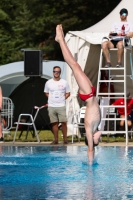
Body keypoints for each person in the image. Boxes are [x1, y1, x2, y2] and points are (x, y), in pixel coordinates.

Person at [55, 24, 102, 164]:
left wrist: (90, 165)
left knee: (74, 65)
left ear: (92, 139)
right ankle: (61, 40)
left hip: (87, 95)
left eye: (97, 140)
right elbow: (99, 135)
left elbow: (90, 150)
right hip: (90, 93)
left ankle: (60, 40)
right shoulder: (96, 128)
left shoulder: (89, 129)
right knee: (76, 66)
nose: (99, 138)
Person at [44, 66, 70, 144]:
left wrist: (62, 98)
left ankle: (65, 139)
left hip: (61, 105)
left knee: (64, 122)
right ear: (53, 72)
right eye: (55, 71)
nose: (56, 73)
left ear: (60, 73)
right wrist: (51, 98)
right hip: (52, 105)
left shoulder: (64, 82)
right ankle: (56, 140)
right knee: (54, 123)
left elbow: (68, 93)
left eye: (58, 72)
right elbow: (46, 93)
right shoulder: (48, 82)